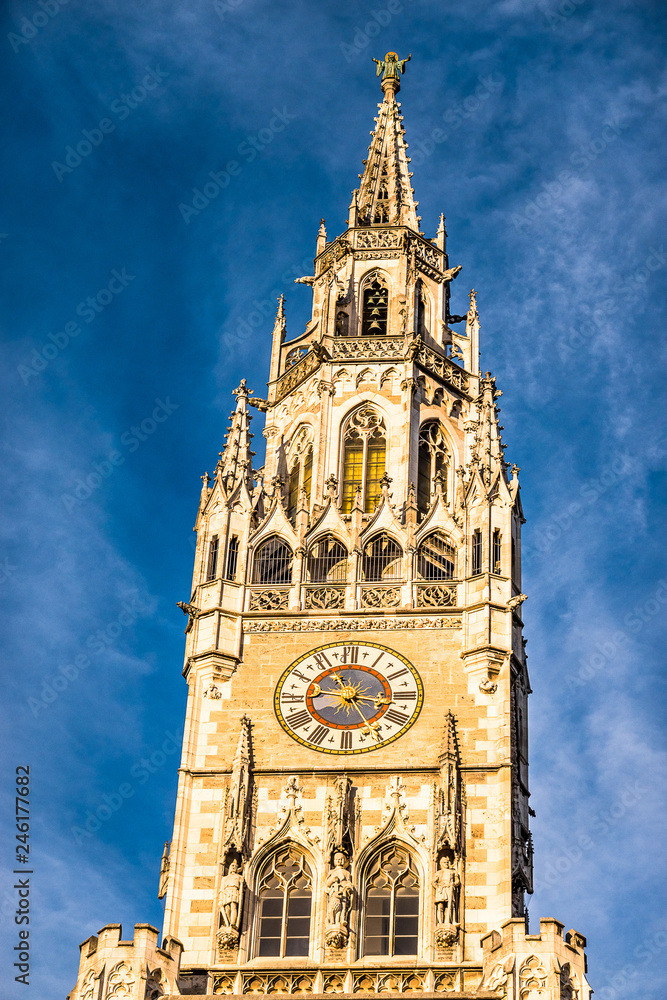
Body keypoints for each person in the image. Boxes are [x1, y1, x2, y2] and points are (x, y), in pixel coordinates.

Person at [220, 859, 243, 928]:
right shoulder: (225, 878)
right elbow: (221, 889)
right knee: (227, 909)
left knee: (233, 906)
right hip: (226, 892)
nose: (233, 867)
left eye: (235, 866)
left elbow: (242, 886)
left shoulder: (239, 877)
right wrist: (221, 899)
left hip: (234, 891)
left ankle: (233, 923)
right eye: (232, 866)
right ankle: (229, 923)